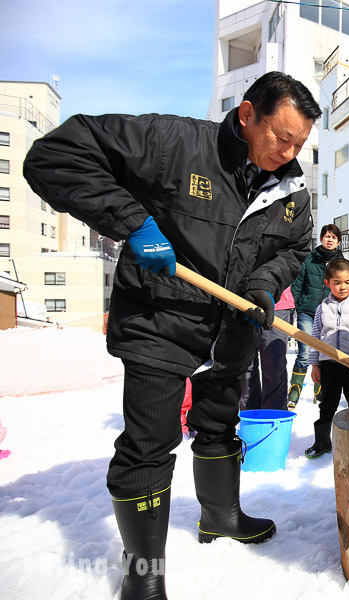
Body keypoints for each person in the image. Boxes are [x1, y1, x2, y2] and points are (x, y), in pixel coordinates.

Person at [23, 71, 321, 599]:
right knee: (148, 448)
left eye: (300, 143)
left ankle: (221, 518)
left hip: (231, 329)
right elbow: (54, 156)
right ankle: (144, 576)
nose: (290, 152)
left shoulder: (292, 192)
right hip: (159, 321)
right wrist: (133, 222)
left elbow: (294, 250)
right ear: (248, 115)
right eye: (282, 136)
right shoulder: (175, 143)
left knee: (217, 425)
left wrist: (261, 285)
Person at [305, 258, 349, 458]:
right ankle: (322, 442)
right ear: (327, 283)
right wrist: (314, 364)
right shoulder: (322, 308)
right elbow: (315, 336)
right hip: (329, 365)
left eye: (347, 282)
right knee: (327, 404)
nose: (342, 287)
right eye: (337, 282)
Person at [288, 224, 343, 409]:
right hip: (307, 311)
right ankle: (294, 393)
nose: (330, 240)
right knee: (304, 352)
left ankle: (319, 392)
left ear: (338, 241)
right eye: (327, 236)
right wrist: (292, 306)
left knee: (324, 354)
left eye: (334, 237)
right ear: (321, 239)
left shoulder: (341, 263)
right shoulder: (309, 259)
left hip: (329, 313)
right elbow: (298, 284)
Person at [241, 287, 294, 411]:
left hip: (277, 303)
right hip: (242, 303)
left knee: (274, 365)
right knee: (245, 366)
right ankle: (250, 418)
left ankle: (273, 418)